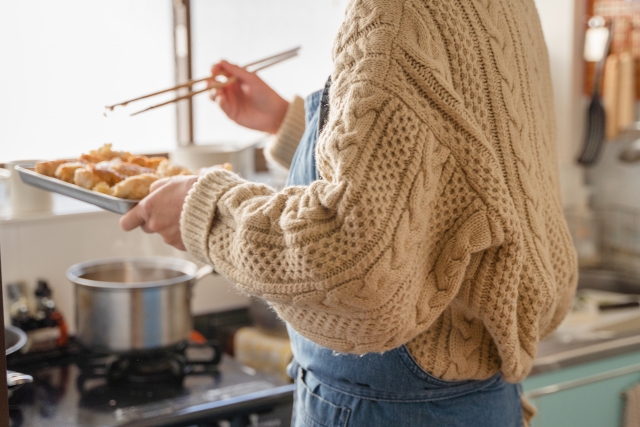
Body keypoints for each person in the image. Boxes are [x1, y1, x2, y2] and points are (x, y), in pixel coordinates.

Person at [120, 1, 578, 425]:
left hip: (393, 407)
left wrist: (206, 212)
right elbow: (451, 167)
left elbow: (351, 258)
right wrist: (288, 123)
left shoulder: (393, 14)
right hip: (476, 396)